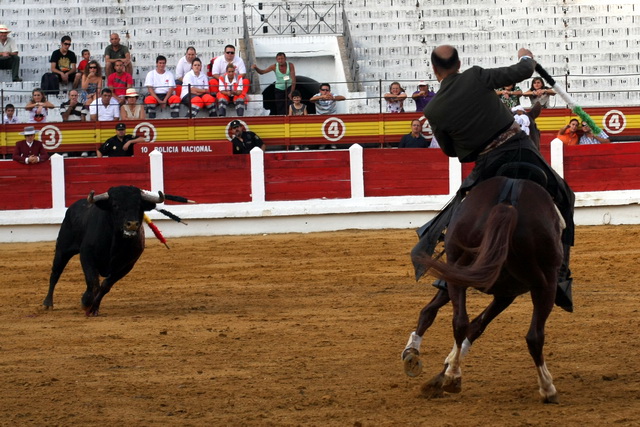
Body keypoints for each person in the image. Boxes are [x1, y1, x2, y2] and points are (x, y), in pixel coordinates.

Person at [419, 45, 575, 312]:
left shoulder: (433, 110)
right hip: (520, 148)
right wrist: (526, 56)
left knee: (458, 211)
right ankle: (560, 273)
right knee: (564, 194)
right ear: (459, 64)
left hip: (486, 162)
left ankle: (451, 274)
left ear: (434, 70)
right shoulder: (475, 76)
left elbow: (450, 151)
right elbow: (523, 70)